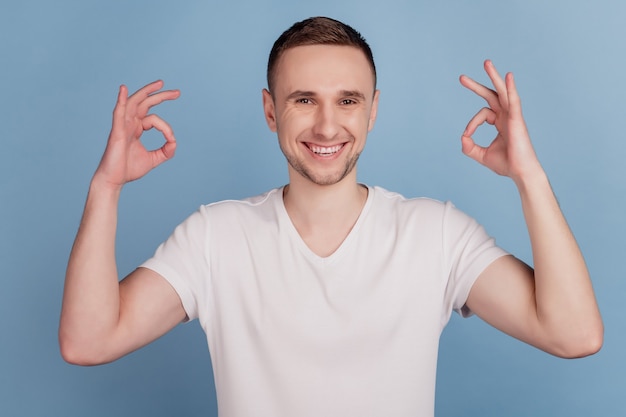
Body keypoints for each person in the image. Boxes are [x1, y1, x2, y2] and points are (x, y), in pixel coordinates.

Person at [59, 16, 603, 417]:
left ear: (373, 110)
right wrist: (105, 187)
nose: (326, 126)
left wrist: (529, 177)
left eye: (347, 101)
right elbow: (89, 341)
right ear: (271, 110)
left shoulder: (434, 233)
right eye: (303, 100)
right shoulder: (215, 236)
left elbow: (573, 334)